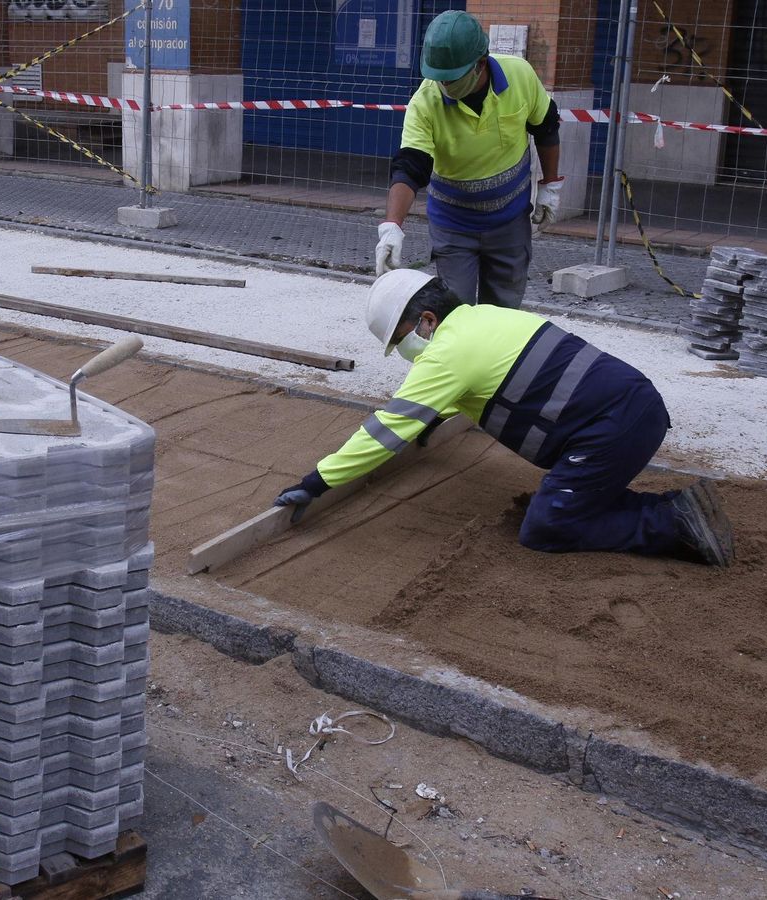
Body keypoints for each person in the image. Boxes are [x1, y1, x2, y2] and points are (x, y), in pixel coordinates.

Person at [273, 270, 735, 566]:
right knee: (568, 500)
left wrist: (317, 482)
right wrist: (432, 420)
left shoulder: (448, 354)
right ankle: (674, 508)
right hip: (634, 409)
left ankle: (672, 523)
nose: (406, 353)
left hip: (610, 432)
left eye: (401, 339)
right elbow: (484, 387)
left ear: (427, 320)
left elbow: (386, 430)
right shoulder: (484, 318)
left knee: (547, 527)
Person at [374, 10, 563, 309]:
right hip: (454, 224)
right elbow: (410, 167)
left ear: (480, 64)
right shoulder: (425, 103)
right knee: (454, 311)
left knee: (504, 312)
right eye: (438, 78)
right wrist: (392, 226)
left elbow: (547, 127)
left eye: (451, 78)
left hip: (509, 220)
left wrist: (550, 186)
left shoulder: (520, 76)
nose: (444, 86)